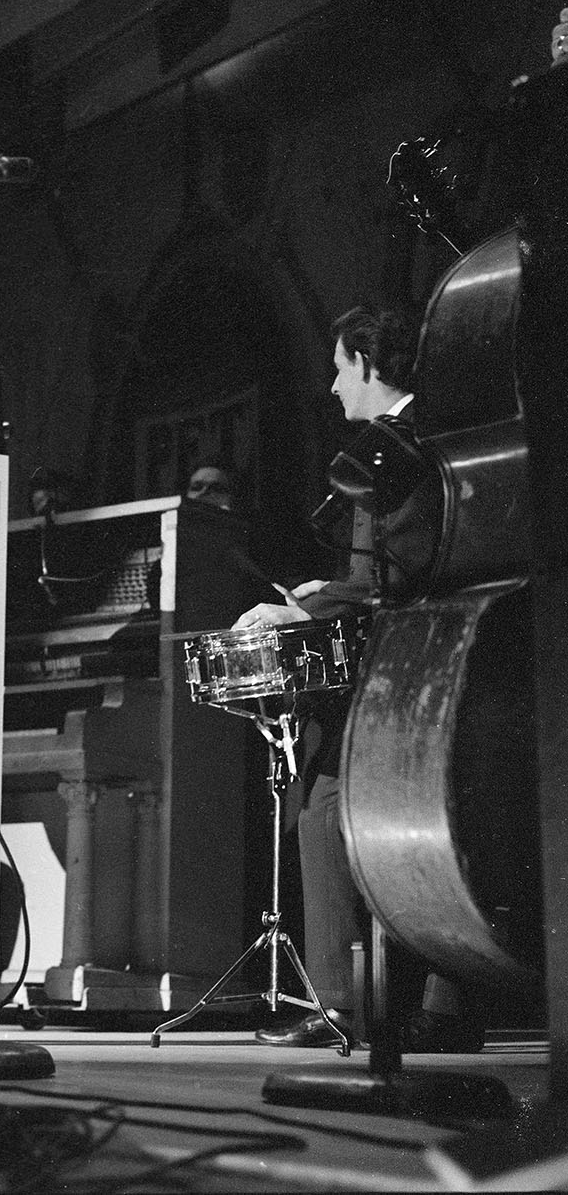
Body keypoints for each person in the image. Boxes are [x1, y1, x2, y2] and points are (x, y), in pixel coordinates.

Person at [236, 305, 470, 1053]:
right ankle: (414, 1005)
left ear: (367, 364)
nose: (334, 387)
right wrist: (320, 593)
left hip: (412, 670)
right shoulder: (402, 441)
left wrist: (298, 610)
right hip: (406, 661)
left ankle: (356, 1002)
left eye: (340, 369)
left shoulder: (404, 446)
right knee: (350, 811)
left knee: (337, 810)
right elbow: (378, 571)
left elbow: (396, 576)